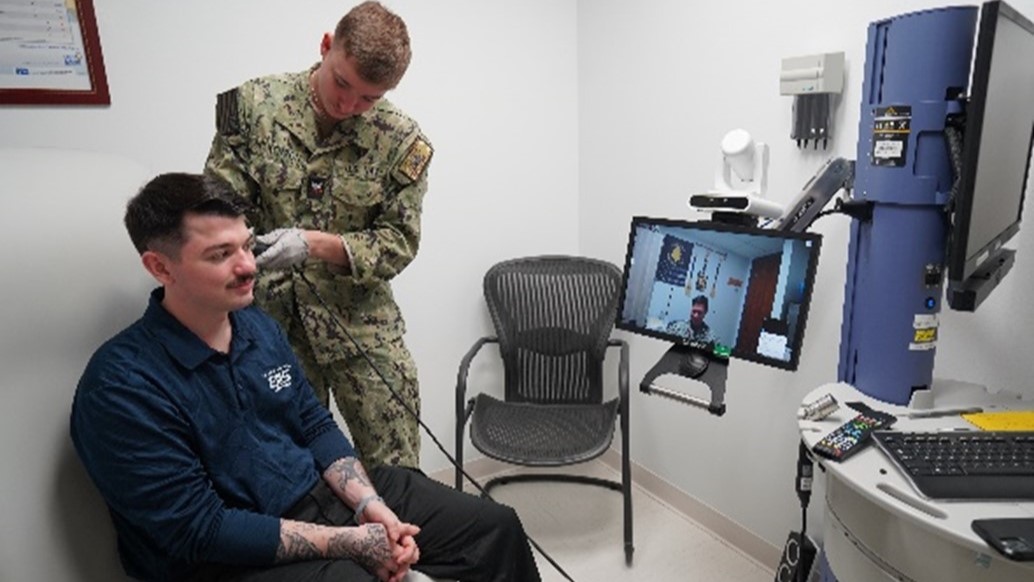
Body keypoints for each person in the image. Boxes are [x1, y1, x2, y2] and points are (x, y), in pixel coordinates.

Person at [69, 173, 540, 582]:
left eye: (247, 245)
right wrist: (351, 543)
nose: (249, 266)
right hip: (227, 558)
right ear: (159, 266)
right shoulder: (122, 388)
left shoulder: (256, 327)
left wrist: (369, 508)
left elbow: (314, 424)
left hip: (319, 498)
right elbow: (200, 528)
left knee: (494, 528)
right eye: (220, 255)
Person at [204, 1, 429, 468]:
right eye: (341, 82)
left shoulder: (401, 141)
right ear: (327, 46)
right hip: (270, 325)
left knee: (397, 466)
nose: (348, 105)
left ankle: (401, 542)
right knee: (293, 466)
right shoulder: (249, 108)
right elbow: (219, 209)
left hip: (361, 324)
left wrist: (316, 244)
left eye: (368, 98)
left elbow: (398, 241)